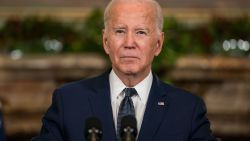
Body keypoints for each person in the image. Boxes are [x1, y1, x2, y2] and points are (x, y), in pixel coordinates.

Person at [32, 0, 217, 140]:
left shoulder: (187, 109)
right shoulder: (68, 102)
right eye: (120, 31)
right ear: (106, 41)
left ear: (158, 44)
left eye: (141, 32)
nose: (129, 43)